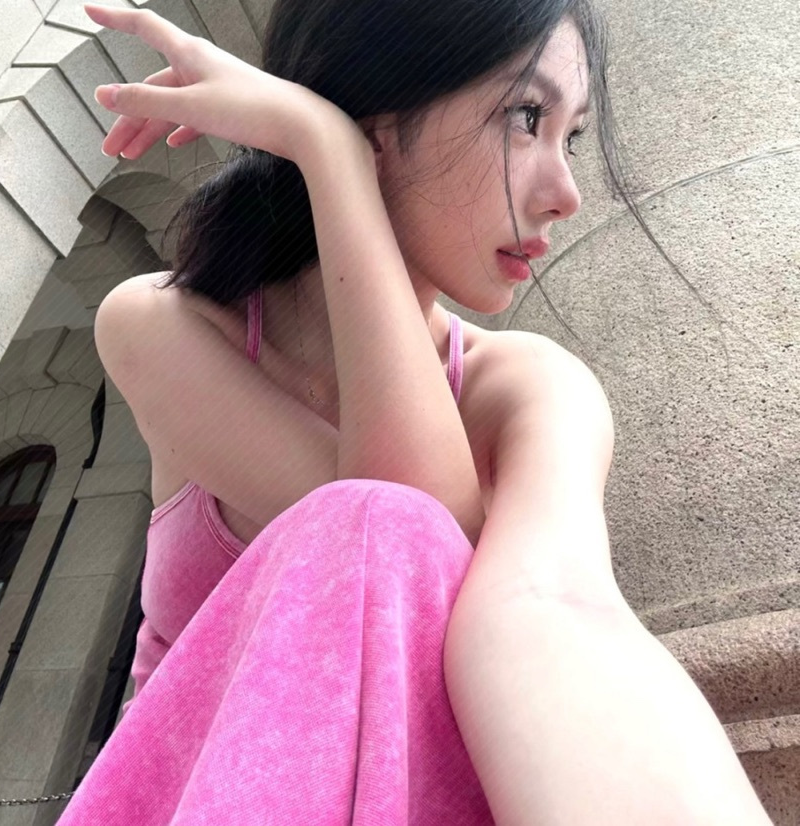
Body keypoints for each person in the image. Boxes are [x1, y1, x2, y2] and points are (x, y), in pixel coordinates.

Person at [60, 1, 774, 823]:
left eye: (570, 137)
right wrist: (330, 150)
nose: (566, 193)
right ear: (376, 117)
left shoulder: (532, 385)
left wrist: (329, 148)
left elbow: (560, 603)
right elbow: (392, 529)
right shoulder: (161, 323)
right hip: (183, 800)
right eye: (526, 118)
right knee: (381, 521)